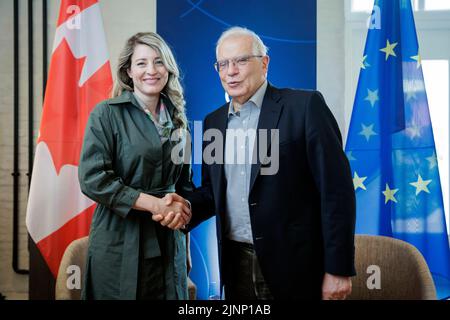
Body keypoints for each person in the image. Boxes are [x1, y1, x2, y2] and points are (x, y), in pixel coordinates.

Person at [162, 27, 356, 300]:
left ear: (264, 63)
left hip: (296, 266)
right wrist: (185, 207)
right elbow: (212, 193)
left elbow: (337, 192)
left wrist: (338, 269)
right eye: (223, 64)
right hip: (235, 263)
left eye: (241, 61)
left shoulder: (304, 107)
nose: (231, 71)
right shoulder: (213, 122)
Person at [78, 32, 193, 300]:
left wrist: (184, 226)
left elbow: (184, 184)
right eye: (141, 63)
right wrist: (154, 205)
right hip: (120, 237)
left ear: (168, 68)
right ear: (128, 71)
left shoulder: (179, 121)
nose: (151, 70)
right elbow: (93, 178)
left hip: (169, 240)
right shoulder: (106, 113)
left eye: (158, 62)